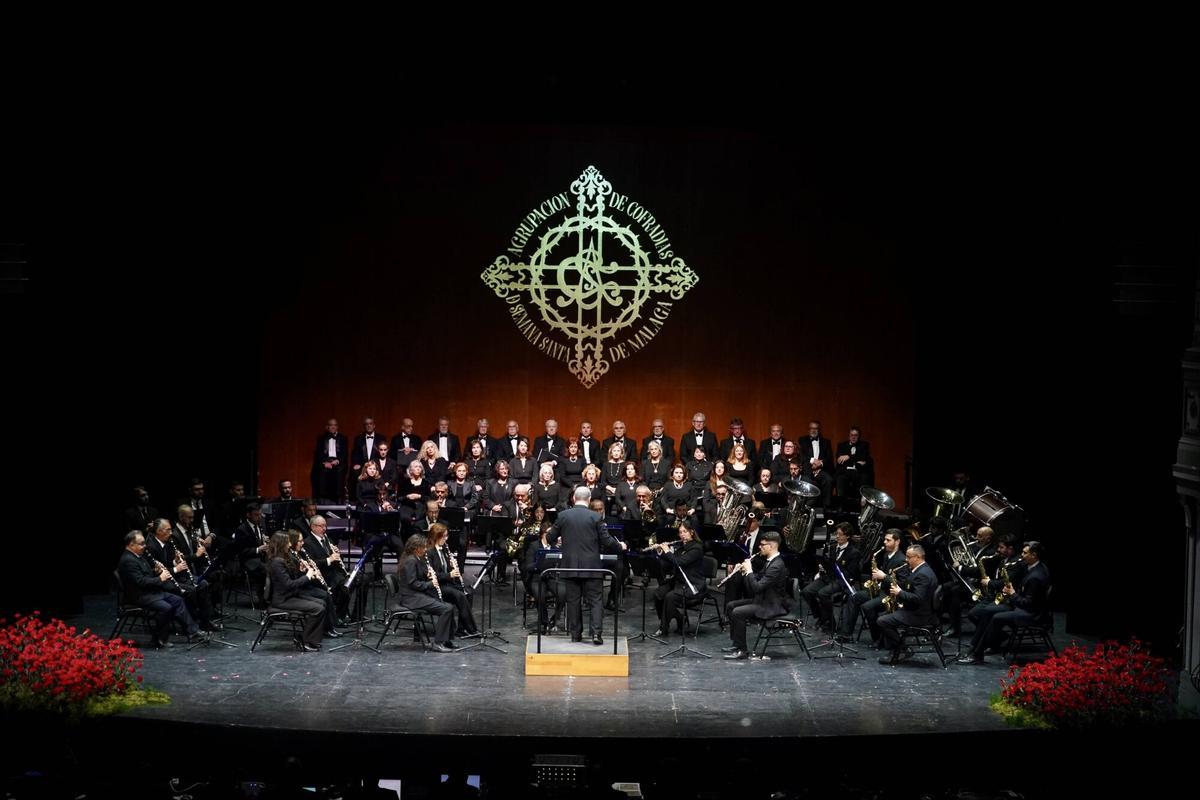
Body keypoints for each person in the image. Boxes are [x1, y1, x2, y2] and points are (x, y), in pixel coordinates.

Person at [545, 486, 626, 644]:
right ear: (589, 500)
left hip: (570, 566)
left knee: (573, 601)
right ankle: (596, 634)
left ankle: (576, 635)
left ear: (574, 498)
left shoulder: (563, 516)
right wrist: (620, 546)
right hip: (592, 566)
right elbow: (606, 540)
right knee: (596, 600)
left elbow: (549, 537)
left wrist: (559, 540)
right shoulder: (595, 517)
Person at [958, 541, 1050, 664]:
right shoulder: (1032, 567)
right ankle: (974, 648)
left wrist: (1012, 594)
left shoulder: (1036, 576)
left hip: (1031, 613)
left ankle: (977, 653)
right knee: (987, 611)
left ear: (1034, 555)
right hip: (1020, 606)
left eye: (1025, 553)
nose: (1021, 555)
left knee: (996, 617)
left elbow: (1028, 604)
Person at [117, 531, 204, 649]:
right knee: (166, 607)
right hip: (139, 596)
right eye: (141, 544)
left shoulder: (139, 556)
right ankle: (159, 639)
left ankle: (192, 631)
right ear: (131, 545)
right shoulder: (128, 560)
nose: (145, 546)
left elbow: (145, 575)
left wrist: (156, 571)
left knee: (177, 600)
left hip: (149, 592)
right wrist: (160, 578)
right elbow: (140, 582)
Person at [722, 531, 789, 660]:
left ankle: (743, 651)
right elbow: (757, 581)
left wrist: (749, 571)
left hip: (772, 605)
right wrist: (744, 572)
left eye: (763, 545)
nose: (760, 547)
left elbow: (757, 587)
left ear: (772, 546)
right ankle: (736, 644)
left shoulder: (776, 565)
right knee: (731, 605)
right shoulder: (770, 561)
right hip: (762, 600)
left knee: (737, 612)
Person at [838, 528, 907, 646]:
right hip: (880, 591)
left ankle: (878, 639)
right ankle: (846, 634)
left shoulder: (902, 560)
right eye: (884, 540)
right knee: (854, 597)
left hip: (890, 595)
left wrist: (883, 576)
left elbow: (902, 584)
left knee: (868, 607)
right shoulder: (886, 555)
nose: (884, 542)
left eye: (888, 540)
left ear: (897, 542)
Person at [394, 534, 457, 652]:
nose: (425, 549)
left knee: (449, 606)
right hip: (411, 598)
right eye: (423, 547)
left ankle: (446, 640)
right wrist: (430, 584)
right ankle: (438, 643)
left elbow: (417, 577)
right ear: (416, 548)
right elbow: (413, 584)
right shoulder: (410, 561)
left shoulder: (416, 559)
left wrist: (427, 575)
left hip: (416, 595)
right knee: (446, 609)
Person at [877, 544, 938, 663]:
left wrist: (899, 592)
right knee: (884, 616)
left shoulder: (923, 574)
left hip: (919, 615)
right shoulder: (921, 570)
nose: (906, 559)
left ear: (918, 557)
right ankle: (896, 649)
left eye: (909, 557)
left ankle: (903, 649)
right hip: (916, 610)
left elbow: (918, 598)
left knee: (882, 621)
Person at [265, 532, 326, 651]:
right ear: (282, 544)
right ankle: (306, 641)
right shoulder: (277, 562)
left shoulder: (283, 558)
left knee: (321, 603)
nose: (289, 544)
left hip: (290, 595)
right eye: (287, 542)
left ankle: (311, 638)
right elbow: (289, 585)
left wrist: (301, 570)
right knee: (318, 609)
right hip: (283, 600)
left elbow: (292, 578)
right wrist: (307, 576)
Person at [801, 522, 861, 632]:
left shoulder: (854, 552)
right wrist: (823, 566)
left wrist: (834, 569)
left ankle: (831, 622)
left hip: (841, 580)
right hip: (827, 577)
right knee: (806, 591)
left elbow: (850, 573)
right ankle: (821, 617)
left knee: (822, 593)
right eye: (836, 534)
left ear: (847, 536)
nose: (837, 536)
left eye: (840, 534)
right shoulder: (832, 547)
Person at [650, 518, 706, 636]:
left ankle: (663, 628)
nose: (682, 535)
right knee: (658, 594)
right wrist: (661, 552)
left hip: (693, 585)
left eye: (684, 532)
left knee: (669, 597)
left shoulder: (697, 548)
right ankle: (680, 617)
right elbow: (671, 562)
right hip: (679, 582)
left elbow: (679, 562)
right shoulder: (681, 546)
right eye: (680, 532)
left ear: (692, 532)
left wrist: (668, 552)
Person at [426, 522, 478, 635]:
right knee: (459, 595)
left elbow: (446, 568)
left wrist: (452, 566)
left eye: (446, 536)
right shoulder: (429, 552)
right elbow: (433, 575)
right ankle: (471, 629)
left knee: (469, 592)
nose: (446, 539)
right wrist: (450, 575)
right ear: (437, 537)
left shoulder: (444, 549)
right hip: (435, 587)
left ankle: (461, 628)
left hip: (446, 584)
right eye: (444, 536)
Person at [302, 514, 351, 624]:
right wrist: (329, 559)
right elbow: (312, 563)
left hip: (334, 573)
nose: (324, 529)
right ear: (313, 527)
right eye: (321, 526)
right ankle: (337, 617)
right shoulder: (307, 543)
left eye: (325, 526)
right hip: (323, 575)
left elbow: (336, 558)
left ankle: (342, 612)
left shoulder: (327, 539)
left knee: (356, 582)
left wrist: (337, 553)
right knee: (345, 588)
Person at [834, 426, 873, 507]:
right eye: (852, 435)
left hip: (858, 471)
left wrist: (848, 457)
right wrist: (857, 459)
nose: (853, 437)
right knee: (840, 478)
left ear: (859, 436)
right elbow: (839, 459)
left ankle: (863, 503)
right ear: (849, 436)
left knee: (865, 477)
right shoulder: (841, 445)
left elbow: (864, 457)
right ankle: (840, 505)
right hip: (845, 471)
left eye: (856, 435)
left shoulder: (864, 445)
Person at [311, 419, 348, 503]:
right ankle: (323, 500)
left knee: (339, 471)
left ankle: (338, 500)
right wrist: (324, 463)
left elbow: (344, 454)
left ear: (337, 427)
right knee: (320, 470)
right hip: (326, 461)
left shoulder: (343, 438)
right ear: (327, 427)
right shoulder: (321, 438)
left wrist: (337, 461)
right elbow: (319, 454)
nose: (333, 427)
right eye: (331, 425)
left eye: (335, 425)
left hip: (338, 462)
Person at [351, 417, 386, 482]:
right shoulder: (358, 438)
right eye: (366, 424)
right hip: (362, 466)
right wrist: (356, 463)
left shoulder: (381, 438)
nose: (369, 425)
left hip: (377, 466)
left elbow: (384, 454)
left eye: (370, 423)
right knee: (354, 473)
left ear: (374, 425)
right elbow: (355, 453)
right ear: (364, 426)